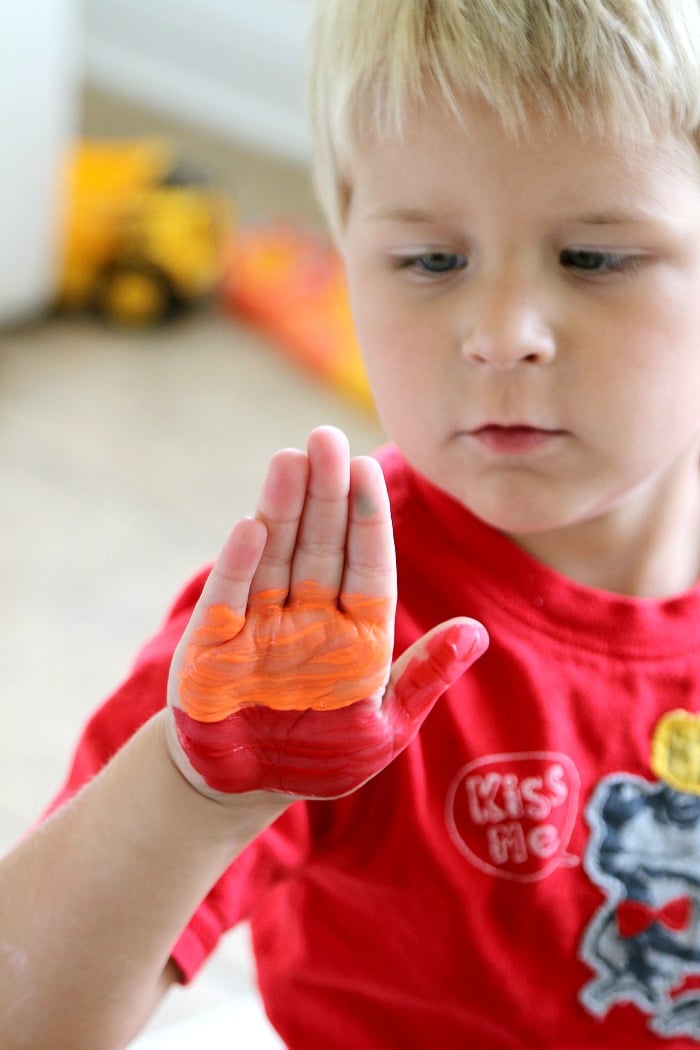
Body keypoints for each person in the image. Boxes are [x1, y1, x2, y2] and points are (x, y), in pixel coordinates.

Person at [4, 0, 700, 1046]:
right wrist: (198, 793)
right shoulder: (310, 632)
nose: (501, 335)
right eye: (430, 261)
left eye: (592, 259)